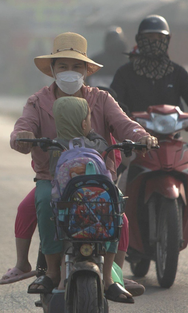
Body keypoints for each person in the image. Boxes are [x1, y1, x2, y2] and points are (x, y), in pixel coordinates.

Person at [5, 32, 156, 296]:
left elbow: (124, 125)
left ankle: (112, 276)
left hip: (97, 178)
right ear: (52, 69)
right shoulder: (37, 101)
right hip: (51, 178)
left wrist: (141, 136)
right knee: (43, 203)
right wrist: (22, 137)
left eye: (76, 66)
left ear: (86, 70)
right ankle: (52, 271)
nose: (69, 71)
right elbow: (23, 127)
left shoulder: (102, 99)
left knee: (117, 209)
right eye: (63, 65)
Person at [110, 15, 188, 241]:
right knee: (114, 177)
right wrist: (122, 116)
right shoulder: (125, 72)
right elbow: (114, 99)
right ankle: (111, 215)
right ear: (140, 40)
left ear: (167, 42)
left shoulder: (177, 72)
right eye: (149, 38)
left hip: (170, 139)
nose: (155, 42)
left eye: (160, 38)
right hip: (134, 142)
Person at [51, 96, 134, 303]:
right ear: (84, 123)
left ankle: (61, 279)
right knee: (119, 220)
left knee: (62, 232)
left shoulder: (55, 145)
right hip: (99, 210)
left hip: (70, 212)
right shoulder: (99, 143)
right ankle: (109, 278)